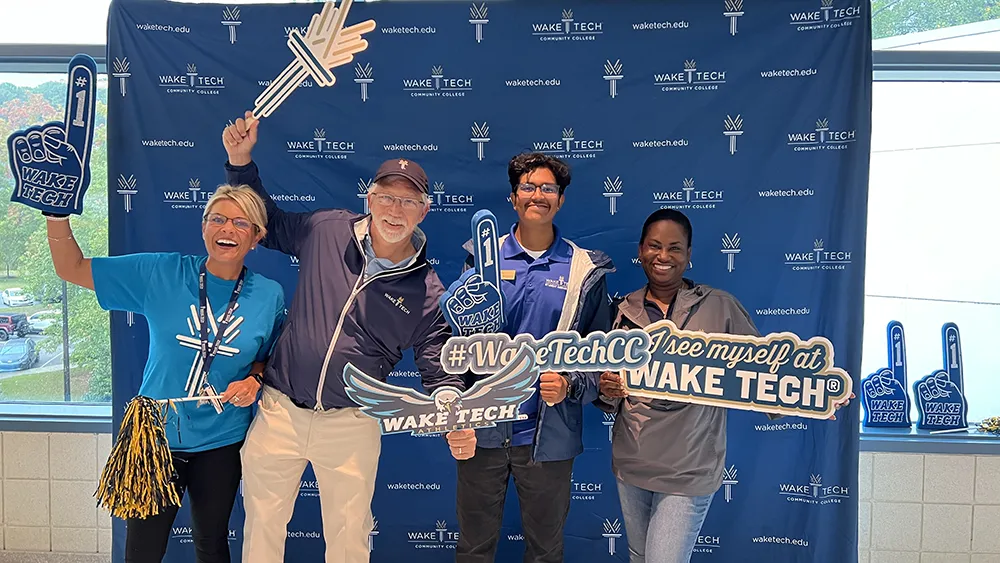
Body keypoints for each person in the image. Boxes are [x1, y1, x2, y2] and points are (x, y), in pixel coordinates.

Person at [221, 111, 475, 563]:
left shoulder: (427, 289)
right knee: (261, 529)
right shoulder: (327, 229)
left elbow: (438, 365)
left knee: (348, 540)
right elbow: (272, 223)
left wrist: (456, 417)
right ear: (370, 198)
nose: (395, 211)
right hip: (280, 411)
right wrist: (240, 163)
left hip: (353, 423)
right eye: (387, 198)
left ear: (424, 210)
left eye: (408, 202)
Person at [44, 185, 286, 563]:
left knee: (212, 542)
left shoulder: (269, 295)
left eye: (242, 223)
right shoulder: (161, 272)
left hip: (222, 439)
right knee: (143, 549)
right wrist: (56, 214)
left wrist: (255, 380)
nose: (228, 229)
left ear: (257, 237)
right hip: (153, 436)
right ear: (204, 227)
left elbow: (271, 357)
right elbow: (70, 268)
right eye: (218, 218)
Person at [597, 209, 852, 563]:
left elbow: (764, 377)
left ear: (689, 255)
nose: (663, 256)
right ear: (640, 250)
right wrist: (607, 389)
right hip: (632, 463)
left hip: (690, 466)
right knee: (640, 557)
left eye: (675, 248)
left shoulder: (719, 306)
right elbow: (607, 392)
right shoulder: (622, 312)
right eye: (654, 246)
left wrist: (813, 395)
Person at [455, 152, 614, 563]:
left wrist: (570, 383)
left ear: (560, 200)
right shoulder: (481, 259)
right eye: (528, 187)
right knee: (473, 549)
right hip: (483, 432)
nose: (537, 195)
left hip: (548, 439)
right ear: (513, 197)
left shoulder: (583, 270)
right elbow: (453, 346)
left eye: (548, 188)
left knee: (545, 552)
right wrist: (454, 411)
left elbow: (600, 356)